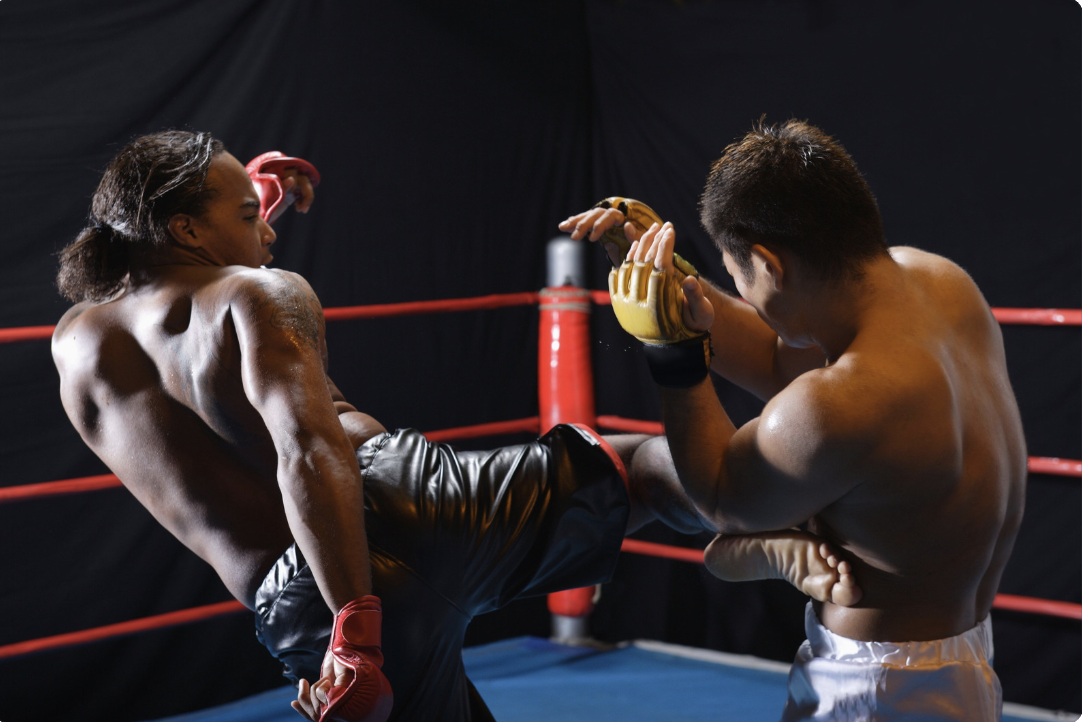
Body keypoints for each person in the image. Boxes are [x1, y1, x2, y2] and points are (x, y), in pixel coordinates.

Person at [52, 130, 859, 722]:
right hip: (396, 513)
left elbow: (184, 316)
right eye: (243, 215)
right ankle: (793, 508)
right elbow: (307, 449)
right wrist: (357, 628)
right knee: (642, 472)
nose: (265, 229)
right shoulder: (260, 293)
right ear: (188, 230)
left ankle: (772, 523)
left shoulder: (79, 344)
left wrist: (348, 646)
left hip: (300, 602)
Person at [560, 119, 1026, 720]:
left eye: (738, 279)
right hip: (965, 664)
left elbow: (721, 498)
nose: (743, 296)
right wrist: (676, 284)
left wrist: (673, 354)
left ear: (769, 264)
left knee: (696, 505)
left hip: (873, 690)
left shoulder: (837, 404)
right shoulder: (942, 284)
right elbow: (776, 357)